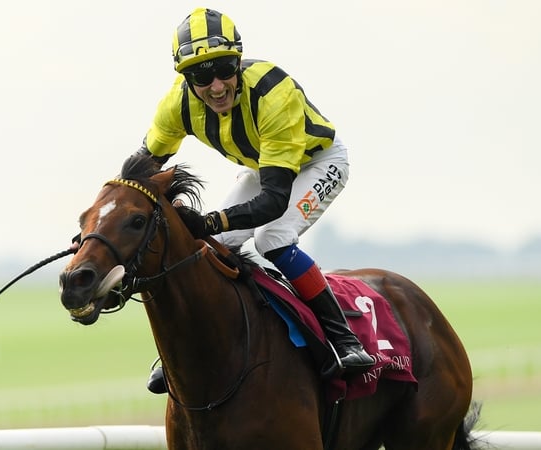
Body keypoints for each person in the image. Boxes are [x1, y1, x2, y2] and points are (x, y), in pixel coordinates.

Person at [133, 7, 375, 394]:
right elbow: (139, 170)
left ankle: (342, 338)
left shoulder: (273, 93)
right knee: (208, 248)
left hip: (318, 161)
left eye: (225, 69)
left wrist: (209, 219)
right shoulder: (175, 106)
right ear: (185, 79)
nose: (215, 86)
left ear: (239, 60)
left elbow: (274, 201)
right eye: (200, 75)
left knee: (271, 238)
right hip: (263, 165)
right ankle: (188, 346)